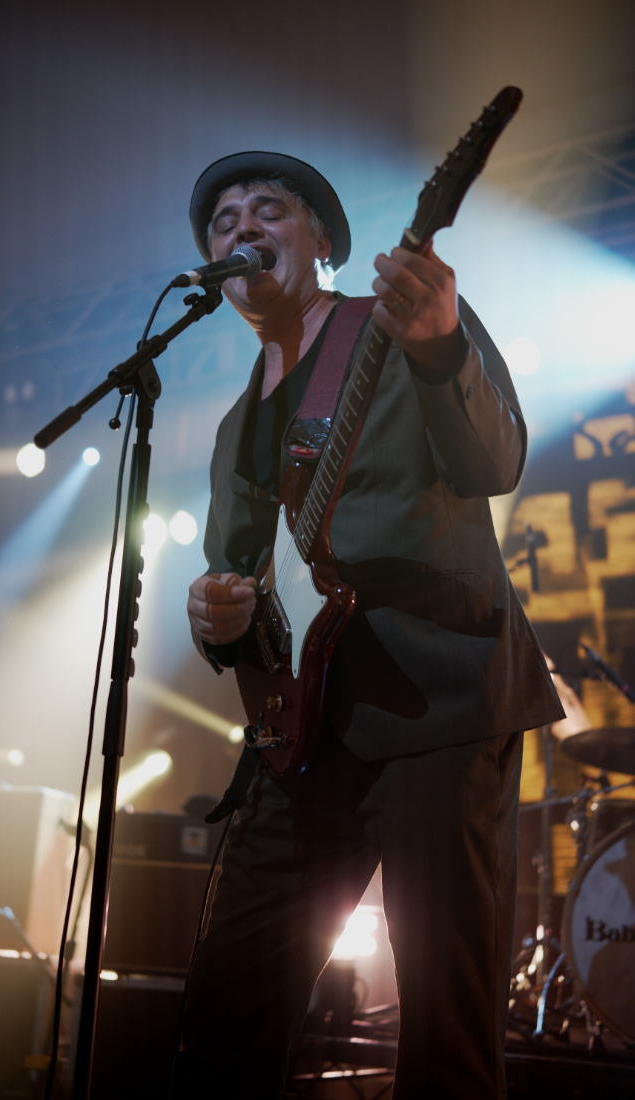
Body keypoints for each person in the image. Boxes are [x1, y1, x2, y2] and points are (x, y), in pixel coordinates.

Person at [173, 151, 564, 1099]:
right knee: (223, 1013)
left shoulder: (398, 323)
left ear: (321, 242)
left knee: (445, 1029)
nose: (240, 227)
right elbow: (242, 582)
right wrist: (217, 618)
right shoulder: (235, 427)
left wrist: (439, 345)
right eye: (222, 220)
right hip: (303, 739)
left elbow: (496, 461)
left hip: (439, 699)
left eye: (267, 209)